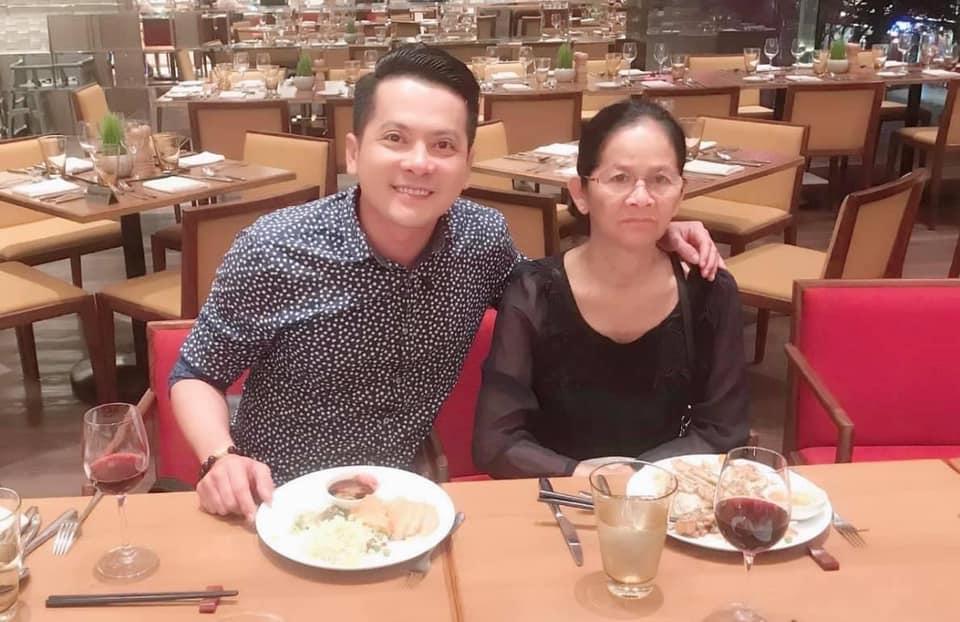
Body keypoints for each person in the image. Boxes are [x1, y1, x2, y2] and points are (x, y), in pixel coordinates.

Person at [169, 45, 722, 521]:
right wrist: (220, 457)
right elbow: (195, 373)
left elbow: (557, 294)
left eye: (443, 145)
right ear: (354, 152)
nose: (419, 163)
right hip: (278, 496)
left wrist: (646, 234)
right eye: (395, 138)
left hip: (406, 498)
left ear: (467, 163)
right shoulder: (275, 248)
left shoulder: (481, 242)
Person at [473, 99, 749, 479]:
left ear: (681, 194)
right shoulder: (534, 292)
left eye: (660, 180)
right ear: (580, 193)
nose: (641, 197)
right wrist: (583, 476)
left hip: (669, 494)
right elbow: (496, 441)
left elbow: (724, 431)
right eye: (619, 178)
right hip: (561, 493)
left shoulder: (708, 289)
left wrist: (635, 476)